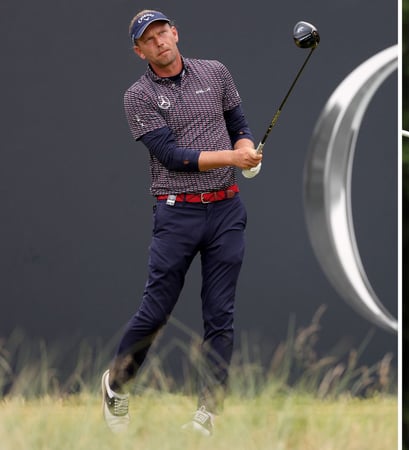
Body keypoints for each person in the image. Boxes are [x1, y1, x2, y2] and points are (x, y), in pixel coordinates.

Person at [101, 9, 263, 436]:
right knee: (155, 312)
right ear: (139, 51)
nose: (159, 42)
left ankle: (207, 416)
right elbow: (172, 157)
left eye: (163, 33)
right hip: (178, 213)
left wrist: (246, 151)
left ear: (175, 33)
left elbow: (238, 125)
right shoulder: (137, 96)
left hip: (227, 209)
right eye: (149, 40)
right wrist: (232, 156)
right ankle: (116, 388)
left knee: (220, 317)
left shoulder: (216, 72)